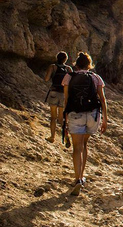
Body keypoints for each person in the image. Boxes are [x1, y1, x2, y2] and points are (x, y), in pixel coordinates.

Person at [62, 52, 108, 196]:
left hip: (75, 113)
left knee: (77, 147)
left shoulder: (69, 77)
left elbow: (66, 99)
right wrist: (105, 118)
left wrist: (64, 118)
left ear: (76, 64)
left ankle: (77, 180)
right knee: (85, 144)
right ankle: (82, 176)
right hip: (93, 115)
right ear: (89, 64)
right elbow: (102, 99)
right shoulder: (96, 77)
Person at [43, 51, 72, 145]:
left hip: (54, 93)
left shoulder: (53, 66)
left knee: (53, 117)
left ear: (57, 58)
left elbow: (46, 79)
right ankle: (66, 136)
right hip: (64, 94)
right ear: (65, 59)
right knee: (61, 118)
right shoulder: (68, 69)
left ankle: (52, 137)